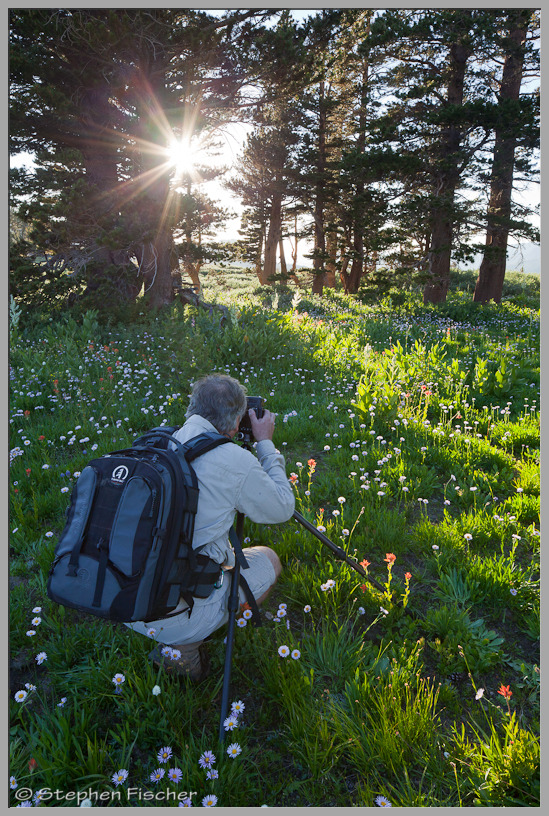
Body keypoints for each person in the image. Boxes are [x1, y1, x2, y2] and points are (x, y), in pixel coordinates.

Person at [125, 373, 295, 680]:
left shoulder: (157, 442)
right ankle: (184, 645)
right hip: (172, 614)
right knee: (269, 559)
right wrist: (265, 444)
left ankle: (175, 628)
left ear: (191, 409)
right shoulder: (231, 460)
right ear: (235, 423)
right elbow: (282, 508)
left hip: (124, 598)